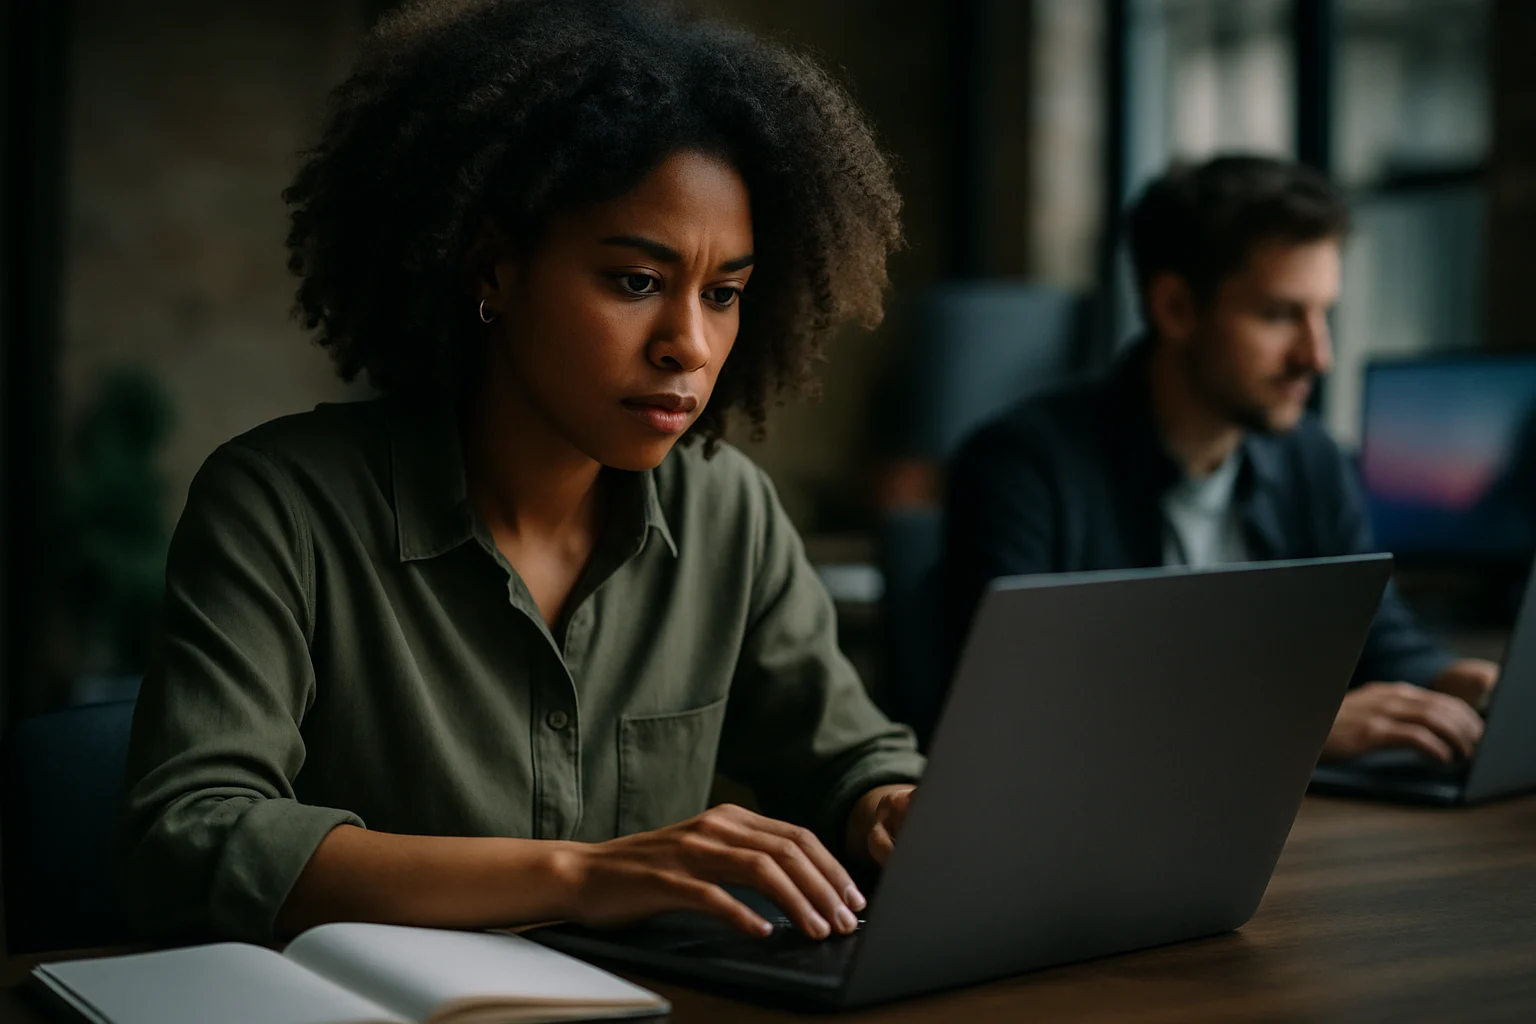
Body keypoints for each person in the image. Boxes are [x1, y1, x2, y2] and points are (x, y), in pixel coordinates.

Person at [117, 0, 924, 947]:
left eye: (724, 294)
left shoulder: (727, 513)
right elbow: (190, 835)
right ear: (492, 268)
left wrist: (887, 803)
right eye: (635, 281)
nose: (690, 346)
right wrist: (581, 877)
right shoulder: (280, 507)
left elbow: (847, 757)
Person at [940, 154, 1498, 765]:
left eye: (1324, 315)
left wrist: (1459, 681)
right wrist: (1290, 726)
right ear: (1175, 307)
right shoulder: (1021, 468)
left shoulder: (1312, 459)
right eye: (1281, 315)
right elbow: (1022, 709)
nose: (1317, 355)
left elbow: (1375, 640)